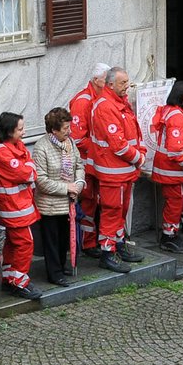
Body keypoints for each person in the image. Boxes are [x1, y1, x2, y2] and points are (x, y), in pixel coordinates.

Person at [88, 67, 147, 271]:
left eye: (128, 82)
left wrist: (139, 152)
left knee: (120, 211)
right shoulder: (106, 107)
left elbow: (132, 134)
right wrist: (139, 157)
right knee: (111, 212)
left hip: (124, 170)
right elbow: (118, 144)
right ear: (110, 84)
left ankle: (118, 244)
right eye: (123, 83)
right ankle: (107, 252)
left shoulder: (119, 102)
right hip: (113, 171)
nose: (127, 86)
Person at [0, 112, 42, 301]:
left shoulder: (12, 145)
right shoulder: (2, 152)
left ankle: (10, 277)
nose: (24, 133)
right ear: (9, 131)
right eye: (20, 129)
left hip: (18, 205)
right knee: (25, 243)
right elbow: (28, 173)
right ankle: (19, 282)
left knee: (14, 243)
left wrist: (30, 168)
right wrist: (30, 169)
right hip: (14, 207)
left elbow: (30, 168)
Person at [32, 108, 84, 288]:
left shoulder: (70, 143)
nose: (69, 132)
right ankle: (54, 273)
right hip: (50, 205)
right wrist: (66, 188)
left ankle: (61, 267)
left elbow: (79, 164)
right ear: (54, 130)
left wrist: (78, 184)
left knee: (64, 238)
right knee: (52, 240)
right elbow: (41, 181)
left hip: (69, 201)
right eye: (65, 129)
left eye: (69, 127)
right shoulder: (41, 147)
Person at [150, 81, 183, 254]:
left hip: (167, 169)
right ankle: (169, 236)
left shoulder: (170, 111)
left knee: (175, 202)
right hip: (171, 170)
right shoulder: (177, 116)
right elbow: (175, 150)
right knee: (175, 203)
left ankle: (171, 233)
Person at [68, 64, 110, 248]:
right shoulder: (83, 101)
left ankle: (91, 240)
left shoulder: (100, 98)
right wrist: (101, 148)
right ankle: (86, 243)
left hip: (96, 159)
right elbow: (77, 138)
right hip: (86, 161)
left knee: (96, 201)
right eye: (106, 80)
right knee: (88, 201)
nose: (108, 84)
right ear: (96, 80)